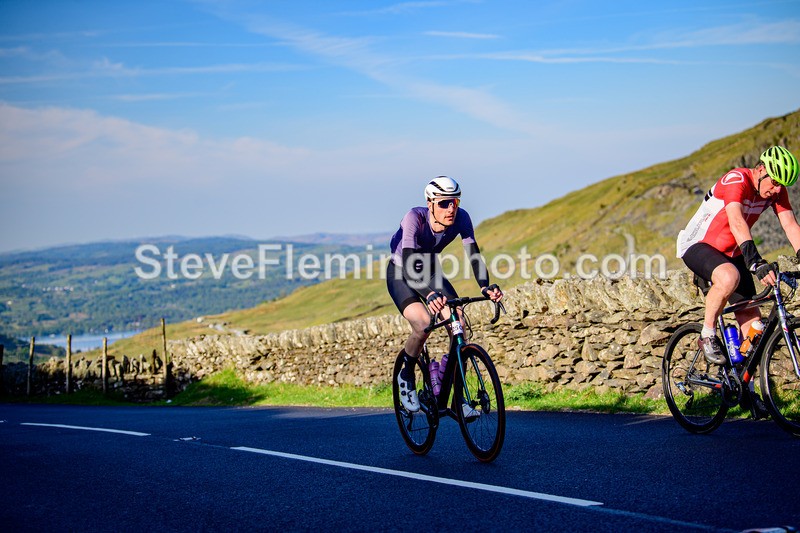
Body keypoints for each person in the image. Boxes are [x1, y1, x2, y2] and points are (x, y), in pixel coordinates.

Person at [677, 145, 800, 416]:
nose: (778, 190)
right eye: (776, 182)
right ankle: (707, 335)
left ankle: (747, 391)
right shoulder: (737, 180)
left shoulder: (776, 191)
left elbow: (791, 225)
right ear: (761, 170)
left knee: (754, 327)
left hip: (733, 252)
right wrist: (755, 261)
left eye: (784, 185)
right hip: (699, 245)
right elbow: (736, 221)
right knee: (729, 276)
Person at [387, 176, 503, 417]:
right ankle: (406, 376)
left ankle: (456, 395)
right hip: (401, 272)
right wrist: (428, 295)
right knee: (423, 323)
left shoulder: (462, 218)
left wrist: (484, 286)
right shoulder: (414, 218)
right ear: (430, 203)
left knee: (457, 321)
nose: (451, 209)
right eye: (444, 203)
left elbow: (474, 255)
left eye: (455, 202)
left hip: (429, 270)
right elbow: (408, 265)